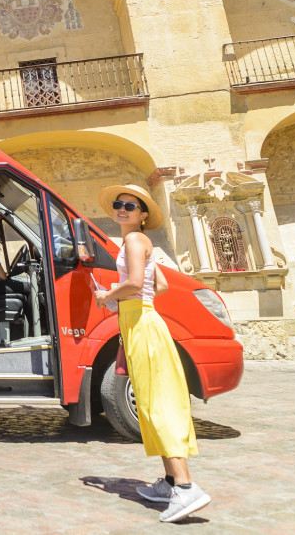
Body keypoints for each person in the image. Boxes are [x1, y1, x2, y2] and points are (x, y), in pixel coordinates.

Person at [93, 184, 209, 524]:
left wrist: (106, 296)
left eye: (131, 206)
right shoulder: (145, 243)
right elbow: (159, 286)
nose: (123, 209)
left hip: (140, 321)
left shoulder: (132, 241)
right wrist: (125, 297)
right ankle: (170, 482)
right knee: (150, 401)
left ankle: (186, 487)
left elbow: (134, 283)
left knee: (157, 403)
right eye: (119, 204)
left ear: (144, 215)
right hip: (142, 318)